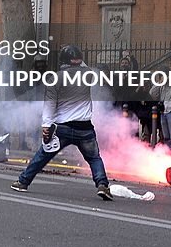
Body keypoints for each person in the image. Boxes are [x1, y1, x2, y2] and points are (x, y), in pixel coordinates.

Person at [12, 45, 112, 201]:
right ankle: (102, 185)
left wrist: (46, 125)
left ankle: (23, 182)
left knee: (43, 155)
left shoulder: (55, 78)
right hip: (85, 127)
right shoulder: (88, 74)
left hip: (62, 128)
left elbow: (49, 104)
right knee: (94, 158)